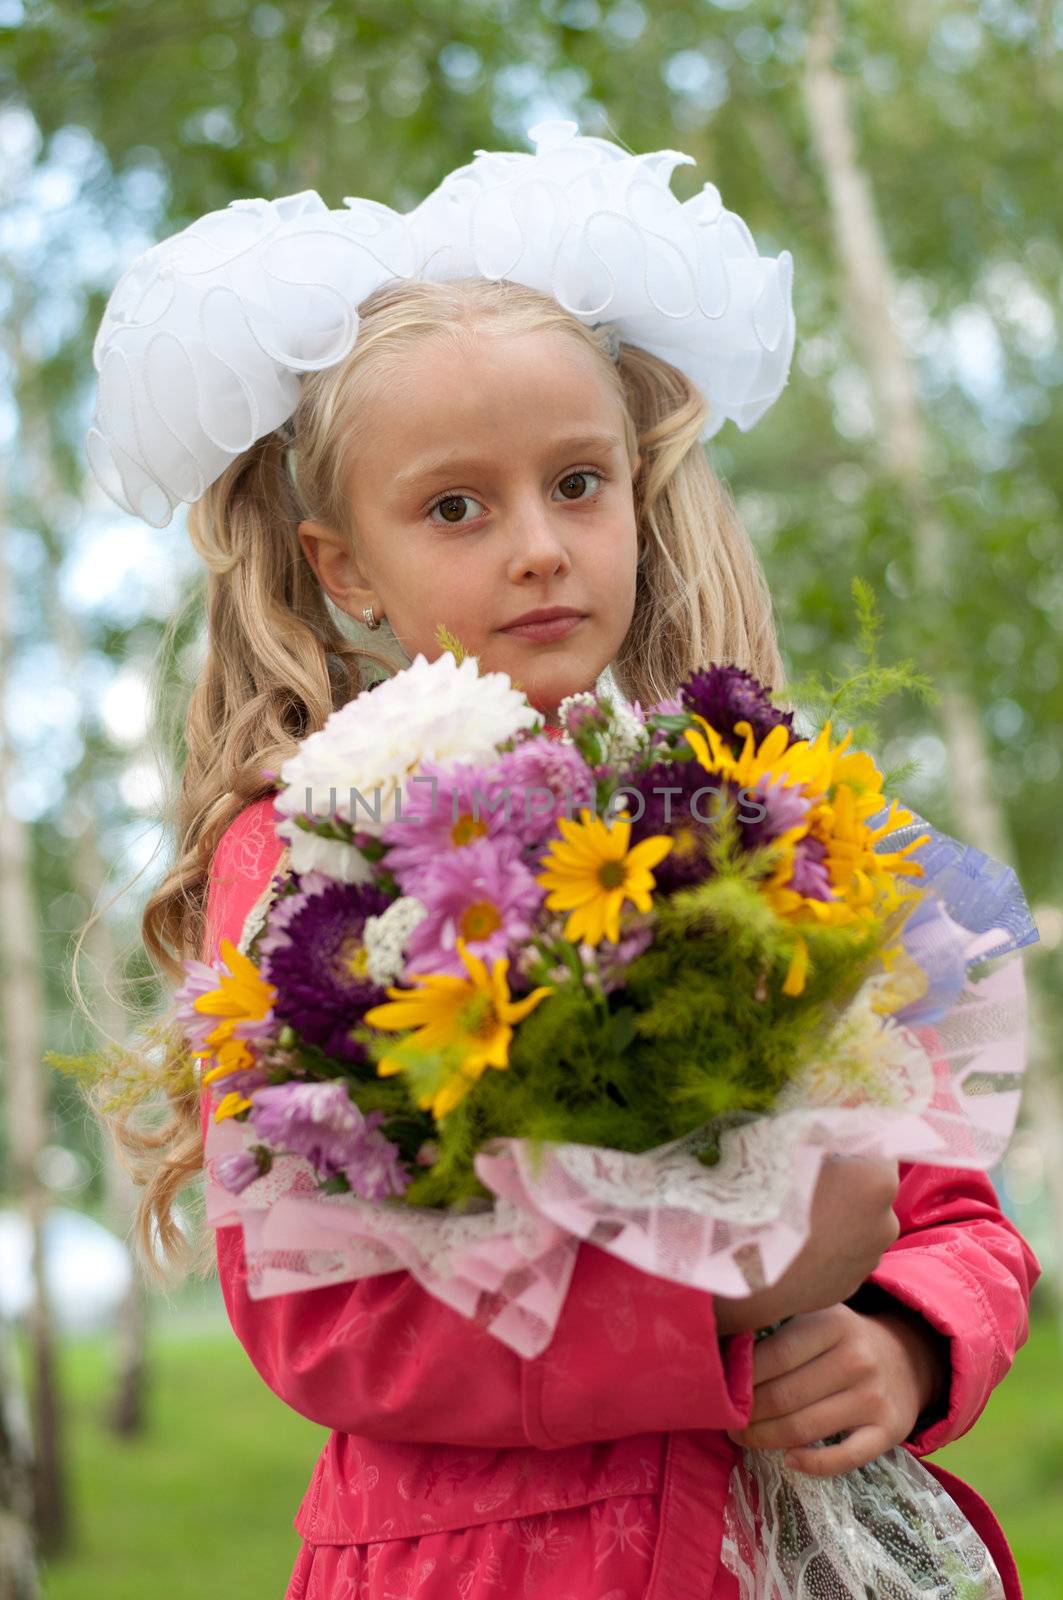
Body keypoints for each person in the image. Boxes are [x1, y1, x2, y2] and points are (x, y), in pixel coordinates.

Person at [86, 124, 1039, 1599]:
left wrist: (912, 1337)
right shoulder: (315, 856)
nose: (537, 547)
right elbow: (325, 1315)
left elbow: (942, 1204)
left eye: (578, 483)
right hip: (484, 1565)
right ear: (344, 564)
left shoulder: (764, 812)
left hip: (802, 1547)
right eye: (456, 506)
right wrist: (722, 1299)